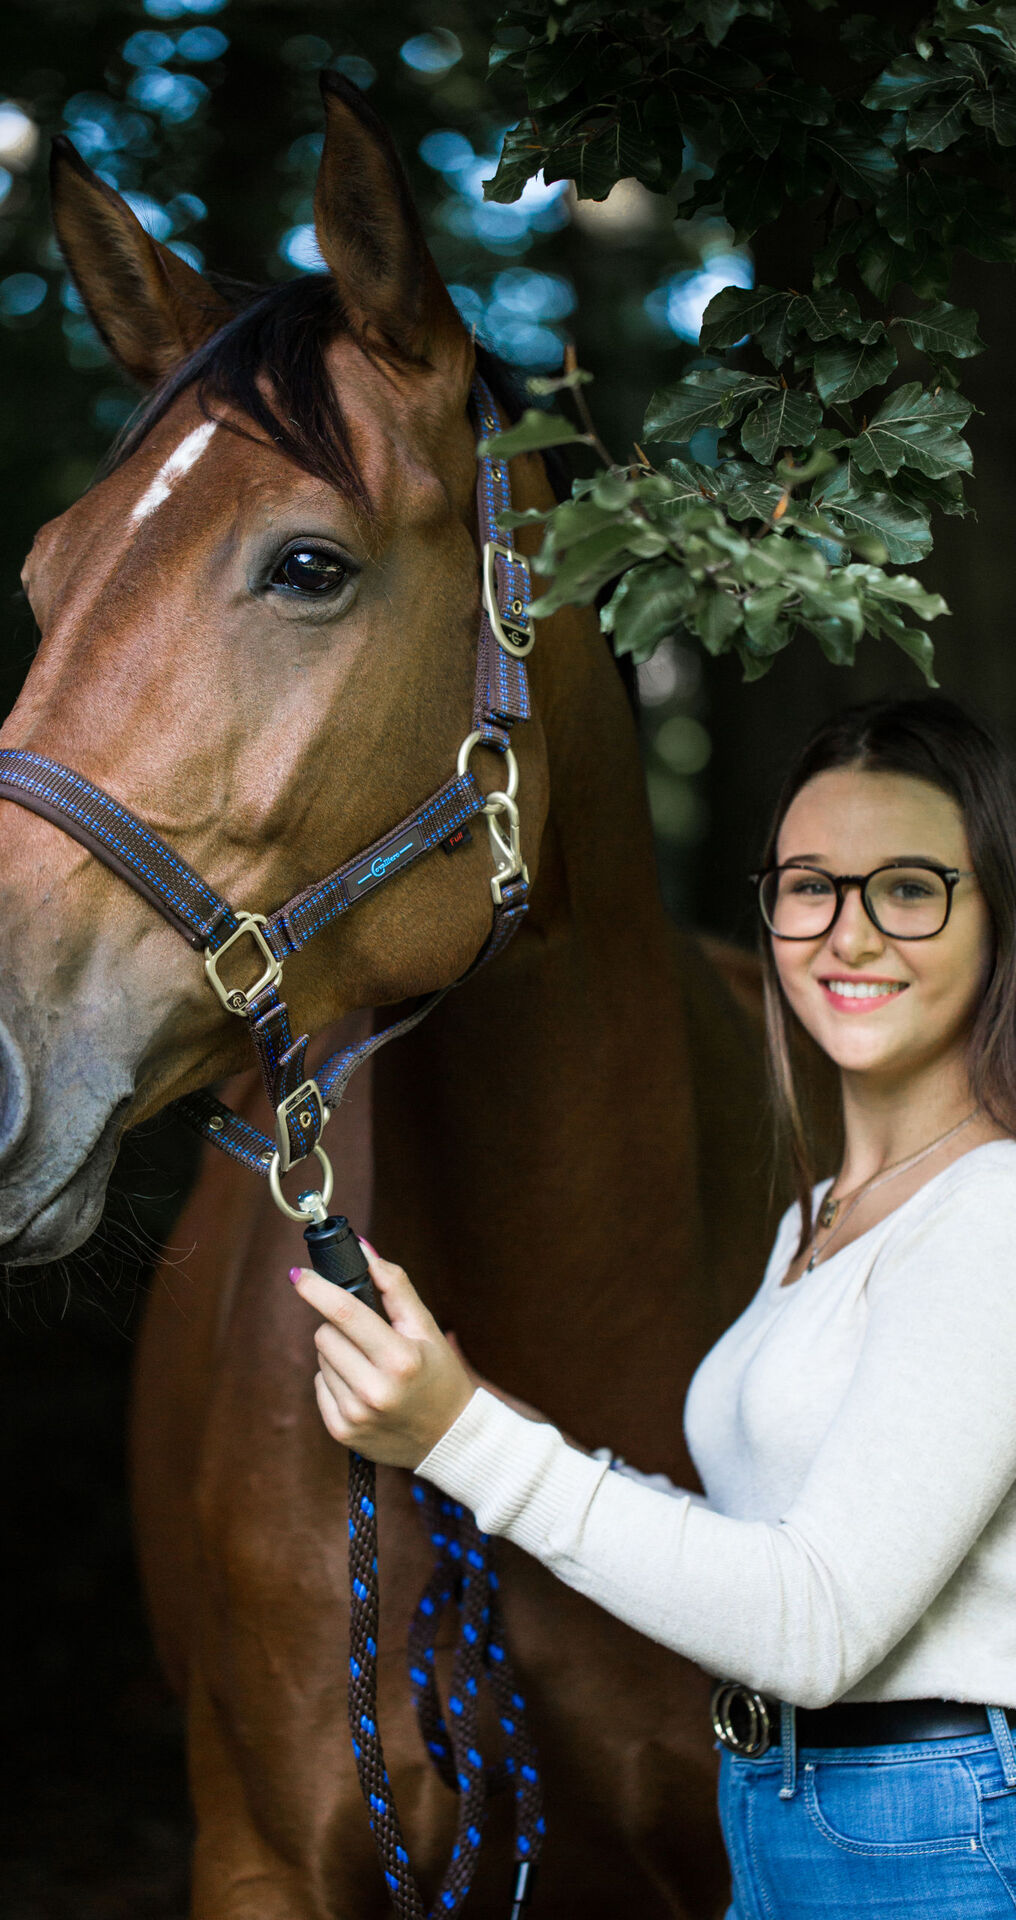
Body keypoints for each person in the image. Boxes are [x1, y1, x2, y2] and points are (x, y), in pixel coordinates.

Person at [290, 695, 1016, 1917]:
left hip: (931, 1836)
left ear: (995, 915)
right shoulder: (821, 1217)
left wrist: (469, 1440)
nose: (847, 934)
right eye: (808, 887)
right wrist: (469, 1414)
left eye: (907, 888)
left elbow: (814, 1624)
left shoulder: (991, 1213)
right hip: (784, 1810)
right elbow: (756, 1546)